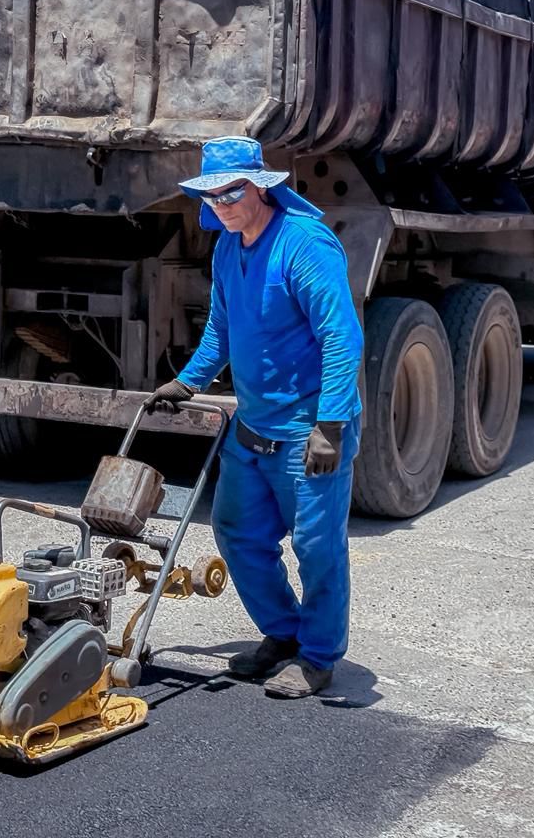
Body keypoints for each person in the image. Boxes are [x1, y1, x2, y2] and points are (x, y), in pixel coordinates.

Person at [144, 136, 364, 698]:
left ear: (261, 186)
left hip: (310, 429)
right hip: (254, 426)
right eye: (212, 195)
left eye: (233, 191)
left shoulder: (303, 244)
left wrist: (331, 424)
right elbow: (222, 325)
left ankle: (317, 656)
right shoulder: (227, 246)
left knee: (316, 546)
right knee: (237, 531)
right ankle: (283, 635)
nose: (222, 204)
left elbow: (341, 337)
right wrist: (188, 381)